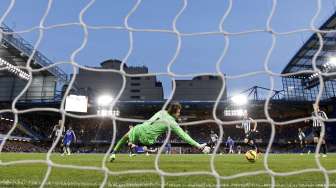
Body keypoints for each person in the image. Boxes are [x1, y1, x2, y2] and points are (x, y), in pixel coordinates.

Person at [109, 102, 210, 161]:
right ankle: (136, 146)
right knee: (145, 144)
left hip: (140, 128)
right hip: (147, 138)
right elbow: (183, 135)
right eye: (178, 112)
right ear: (174, 112)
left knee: (125, 137)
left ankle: (113, 153)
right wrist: (198, 145)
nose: (179, 114)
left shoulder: (161, 111)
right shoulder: (171, 122)